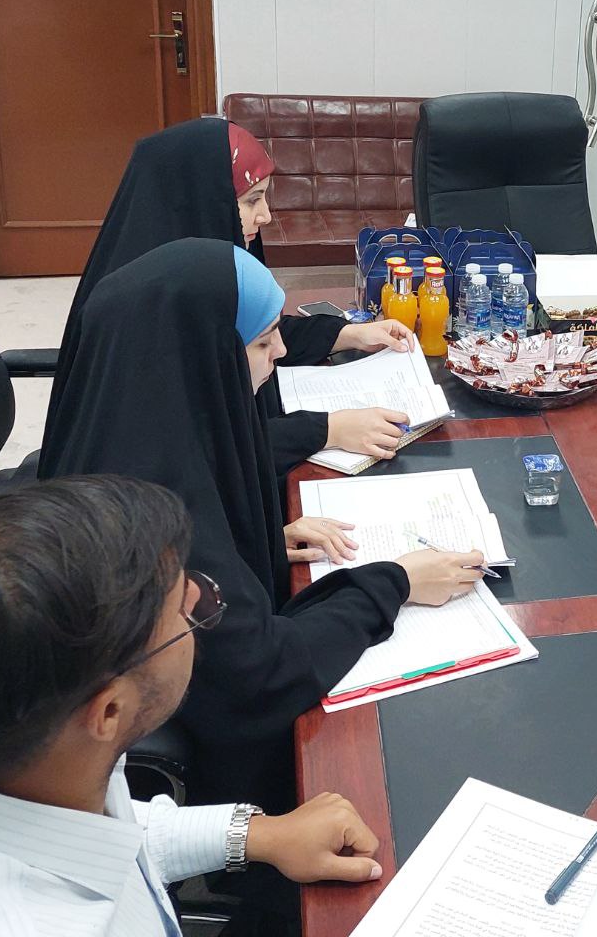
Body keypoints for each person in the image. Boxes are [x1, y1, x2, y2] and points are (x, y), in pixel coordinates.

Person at [39, 238, 481, 810]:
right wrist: (395, 583)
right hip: (214, 774)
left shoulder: (136, 422)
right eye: (263, 340)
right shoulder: (158, 512)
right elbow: (260, 676)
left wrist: (263, 541)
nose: (280, 353)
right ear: (204, 354)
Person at [0, 475, 389, 935]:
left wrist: (259, 834)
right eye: (187, 614)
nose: (200, 600)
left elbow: (100, 833)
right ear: (109, 711)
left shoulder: (24, 762)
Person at [48, 117, 413, 476]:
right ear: (203, 202)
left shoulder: (185, 275)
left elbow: (240, 336)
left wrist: (349, 334)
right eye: (252, 200)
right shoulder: (144, 312)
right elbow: (197, 453)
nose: (265, 216)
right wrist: (327, 430)